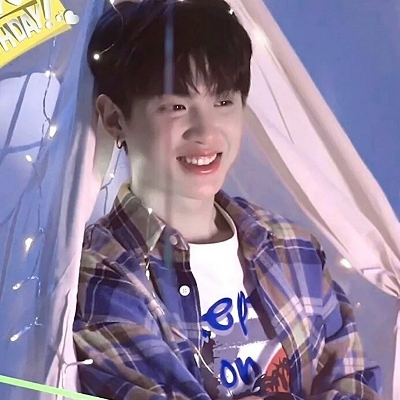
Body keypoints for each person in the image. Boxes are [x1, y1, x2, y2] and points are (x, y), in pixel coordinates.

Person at [73, 1, 382, 399]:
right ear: (115, 118)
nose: (206, 132)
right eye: (176, 106)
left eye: (223, 102)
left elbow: (353, 380)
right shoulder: (102, 275)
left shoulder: (292, 247)